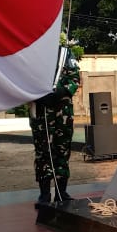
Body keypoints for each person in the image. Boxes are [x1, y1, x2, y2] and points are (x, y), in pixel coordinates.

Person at [30, 44, 81, 203]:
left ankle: (61, 192)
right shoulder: (31, 52)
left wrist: (60, 92)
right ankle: (44, 193)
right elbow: (22, 79)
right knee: (43, 152)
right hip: (40, 110)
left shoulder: (65, 53)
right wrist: (37, 95)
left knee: (62, 150)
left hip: (62, 110)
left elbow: (74, 77)